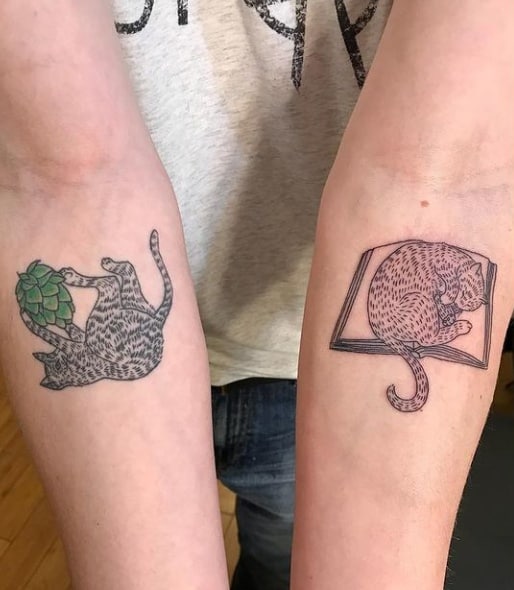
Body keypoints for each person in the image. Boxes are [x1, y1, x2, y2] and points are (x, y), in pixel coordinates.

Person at [0, 2, 512, 590]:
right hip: (136, 372)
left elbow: (445, 179)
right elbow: (59, 172)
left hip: (313, 370)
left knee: (275, 558)